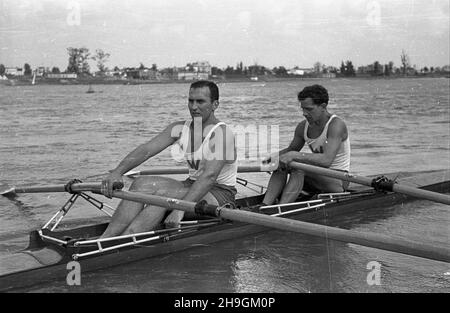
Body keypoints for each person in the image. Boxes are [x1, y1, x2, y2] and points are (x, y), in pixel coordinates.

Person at [100, 80, 237, 238]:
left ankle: (127, 239)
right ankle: (106, 238)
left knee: (162, 196)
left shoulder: (222, 133)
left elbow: (209, 177)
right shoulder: (179, 128)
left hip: (219, 193)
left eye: (200, 101)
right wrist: (117, 172)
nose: (193, 107)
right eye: (190, 101)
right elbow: (146, 150)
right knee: (140, 183)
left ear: (215, 104)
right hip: (191, 184)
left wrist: (180, 210)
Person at [262, 84, 350, 205]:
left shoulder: (336, 125)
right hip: (315, 175)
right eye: (303, 109)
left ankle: (282, 208)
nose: (304, 113)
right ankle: (264, 205)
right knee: (281, 164)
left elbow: (326, 160)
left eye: (309, 109)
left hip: (338, 179)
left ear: (323, 106)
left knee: (298, 166)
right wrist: (270, 159)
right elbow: (291, 149)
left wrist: (293, 155)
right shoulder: (302, 126)